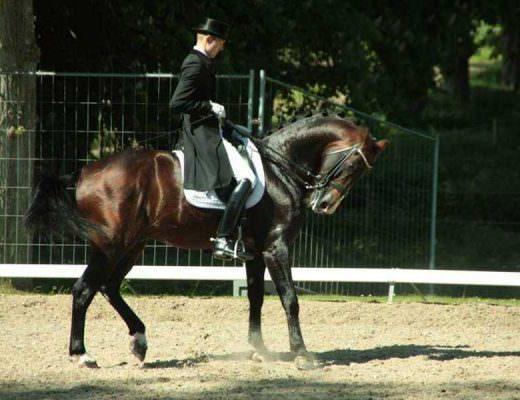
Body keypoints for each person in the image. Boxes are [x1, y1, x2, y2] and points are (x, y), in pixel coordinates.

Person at [170, 17, 255, 261]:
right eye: (220, 44)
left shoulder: (203, 63)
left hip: (210, 130)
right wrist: (209, 107)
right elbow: (177, 103)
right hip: (201, 135)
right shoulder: (195, 64)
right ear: (210, 40)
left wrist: (230, 126)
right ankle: (223, 239)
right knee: (247, 178)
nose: (222, 48)